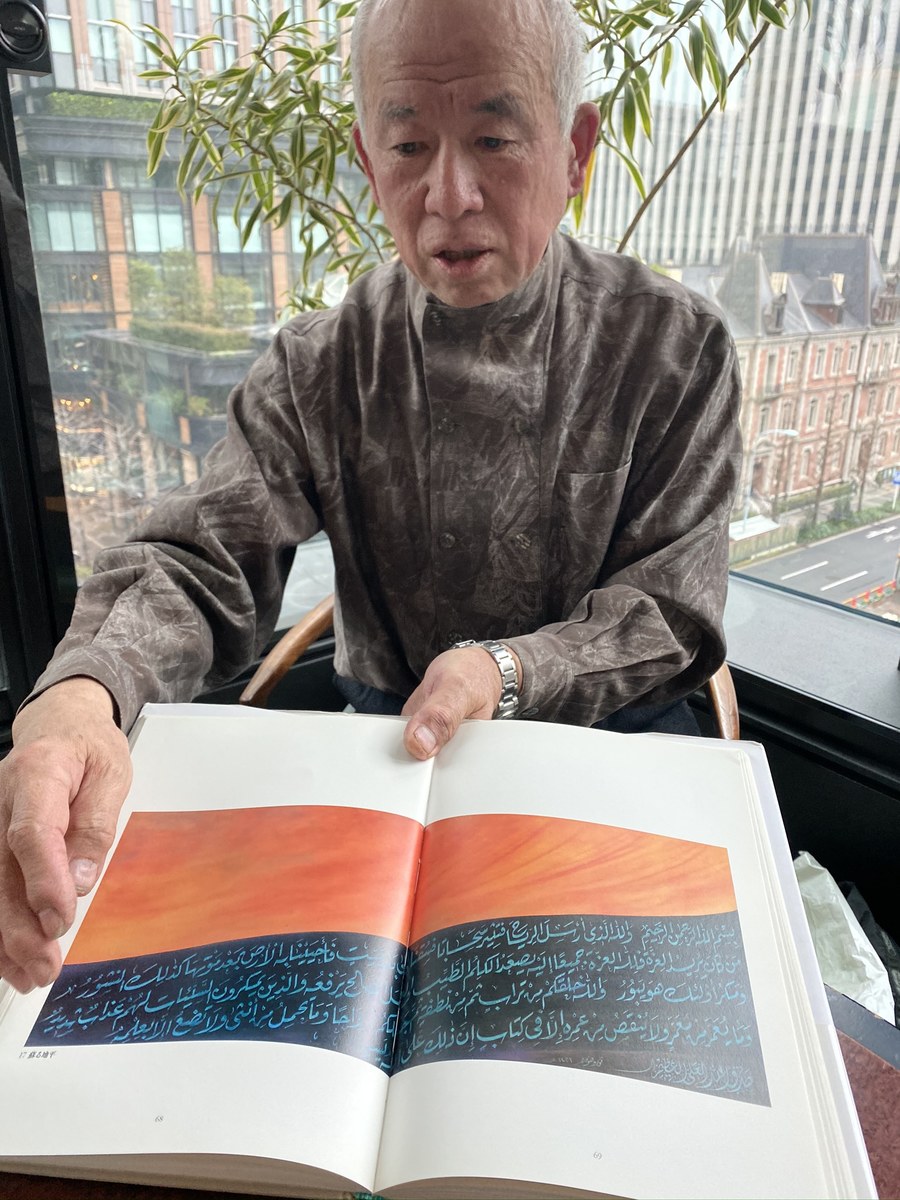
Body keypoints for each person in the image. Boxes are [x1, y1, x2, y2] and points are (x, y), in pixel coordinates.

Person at [0, 0, 741, 994]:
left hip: (609, 751)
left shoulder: (677, 348)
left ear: (575, 151)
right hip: (388, 752)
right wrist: (81, 698)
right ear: (366, 158)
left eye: (493, 139)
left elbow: (671, 611)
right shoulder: (321, 364)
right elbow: (199, 561)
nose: (449, 196)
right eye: (408, 145)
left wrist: (508, 670)